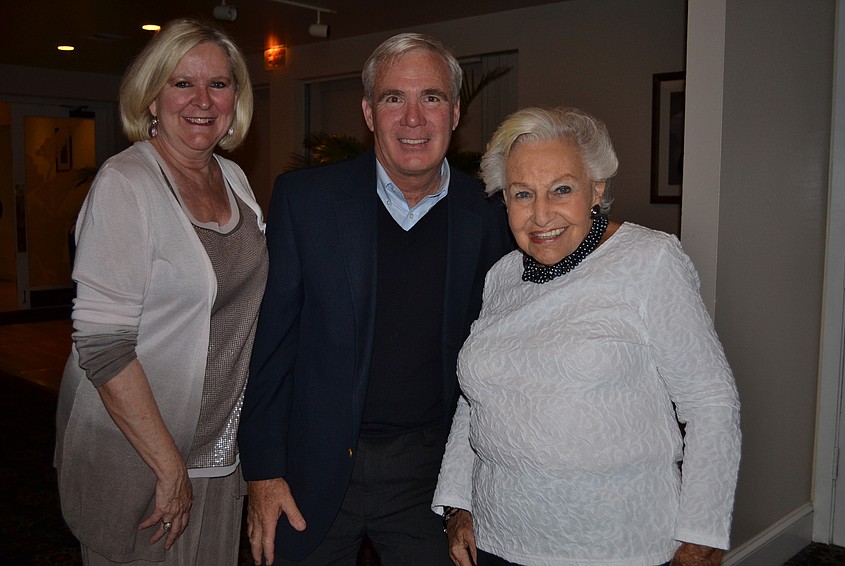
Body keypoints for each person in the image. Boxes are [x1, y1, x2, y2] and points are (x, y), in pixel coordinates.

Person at [237, 33, 514, 565]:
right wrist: (264, 472)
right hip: (310, 471)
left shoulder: (491, 214)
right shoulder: (306, 202)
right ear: (368, 112)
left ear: (455, 112)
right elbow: (272, 348)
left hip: (431, 480)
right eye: (394, 98)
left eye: (431, 98)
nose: (413, 118)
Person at [432, 107, 741, 566]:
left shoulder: (649, 260)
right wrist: (458, 505)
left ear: (596, 189)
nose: (540, 215)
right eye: (522, 194)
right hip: (497, 542)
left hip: (618, 546)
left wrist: (701, 541)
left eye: (561, 189)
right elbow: (475, 400)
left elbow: (711, 403)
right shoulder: (502, 276)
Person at [54, 18, 267, 565]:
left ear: (235, 98)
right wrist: (168, 466)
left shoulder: (234, 179)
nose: (202, 100)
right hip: (142, 458)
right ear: (151, 98)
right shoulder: (125, 185)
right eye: (181, 83)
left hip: (218, 452)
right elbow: (103, 346)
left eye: (218, 84)